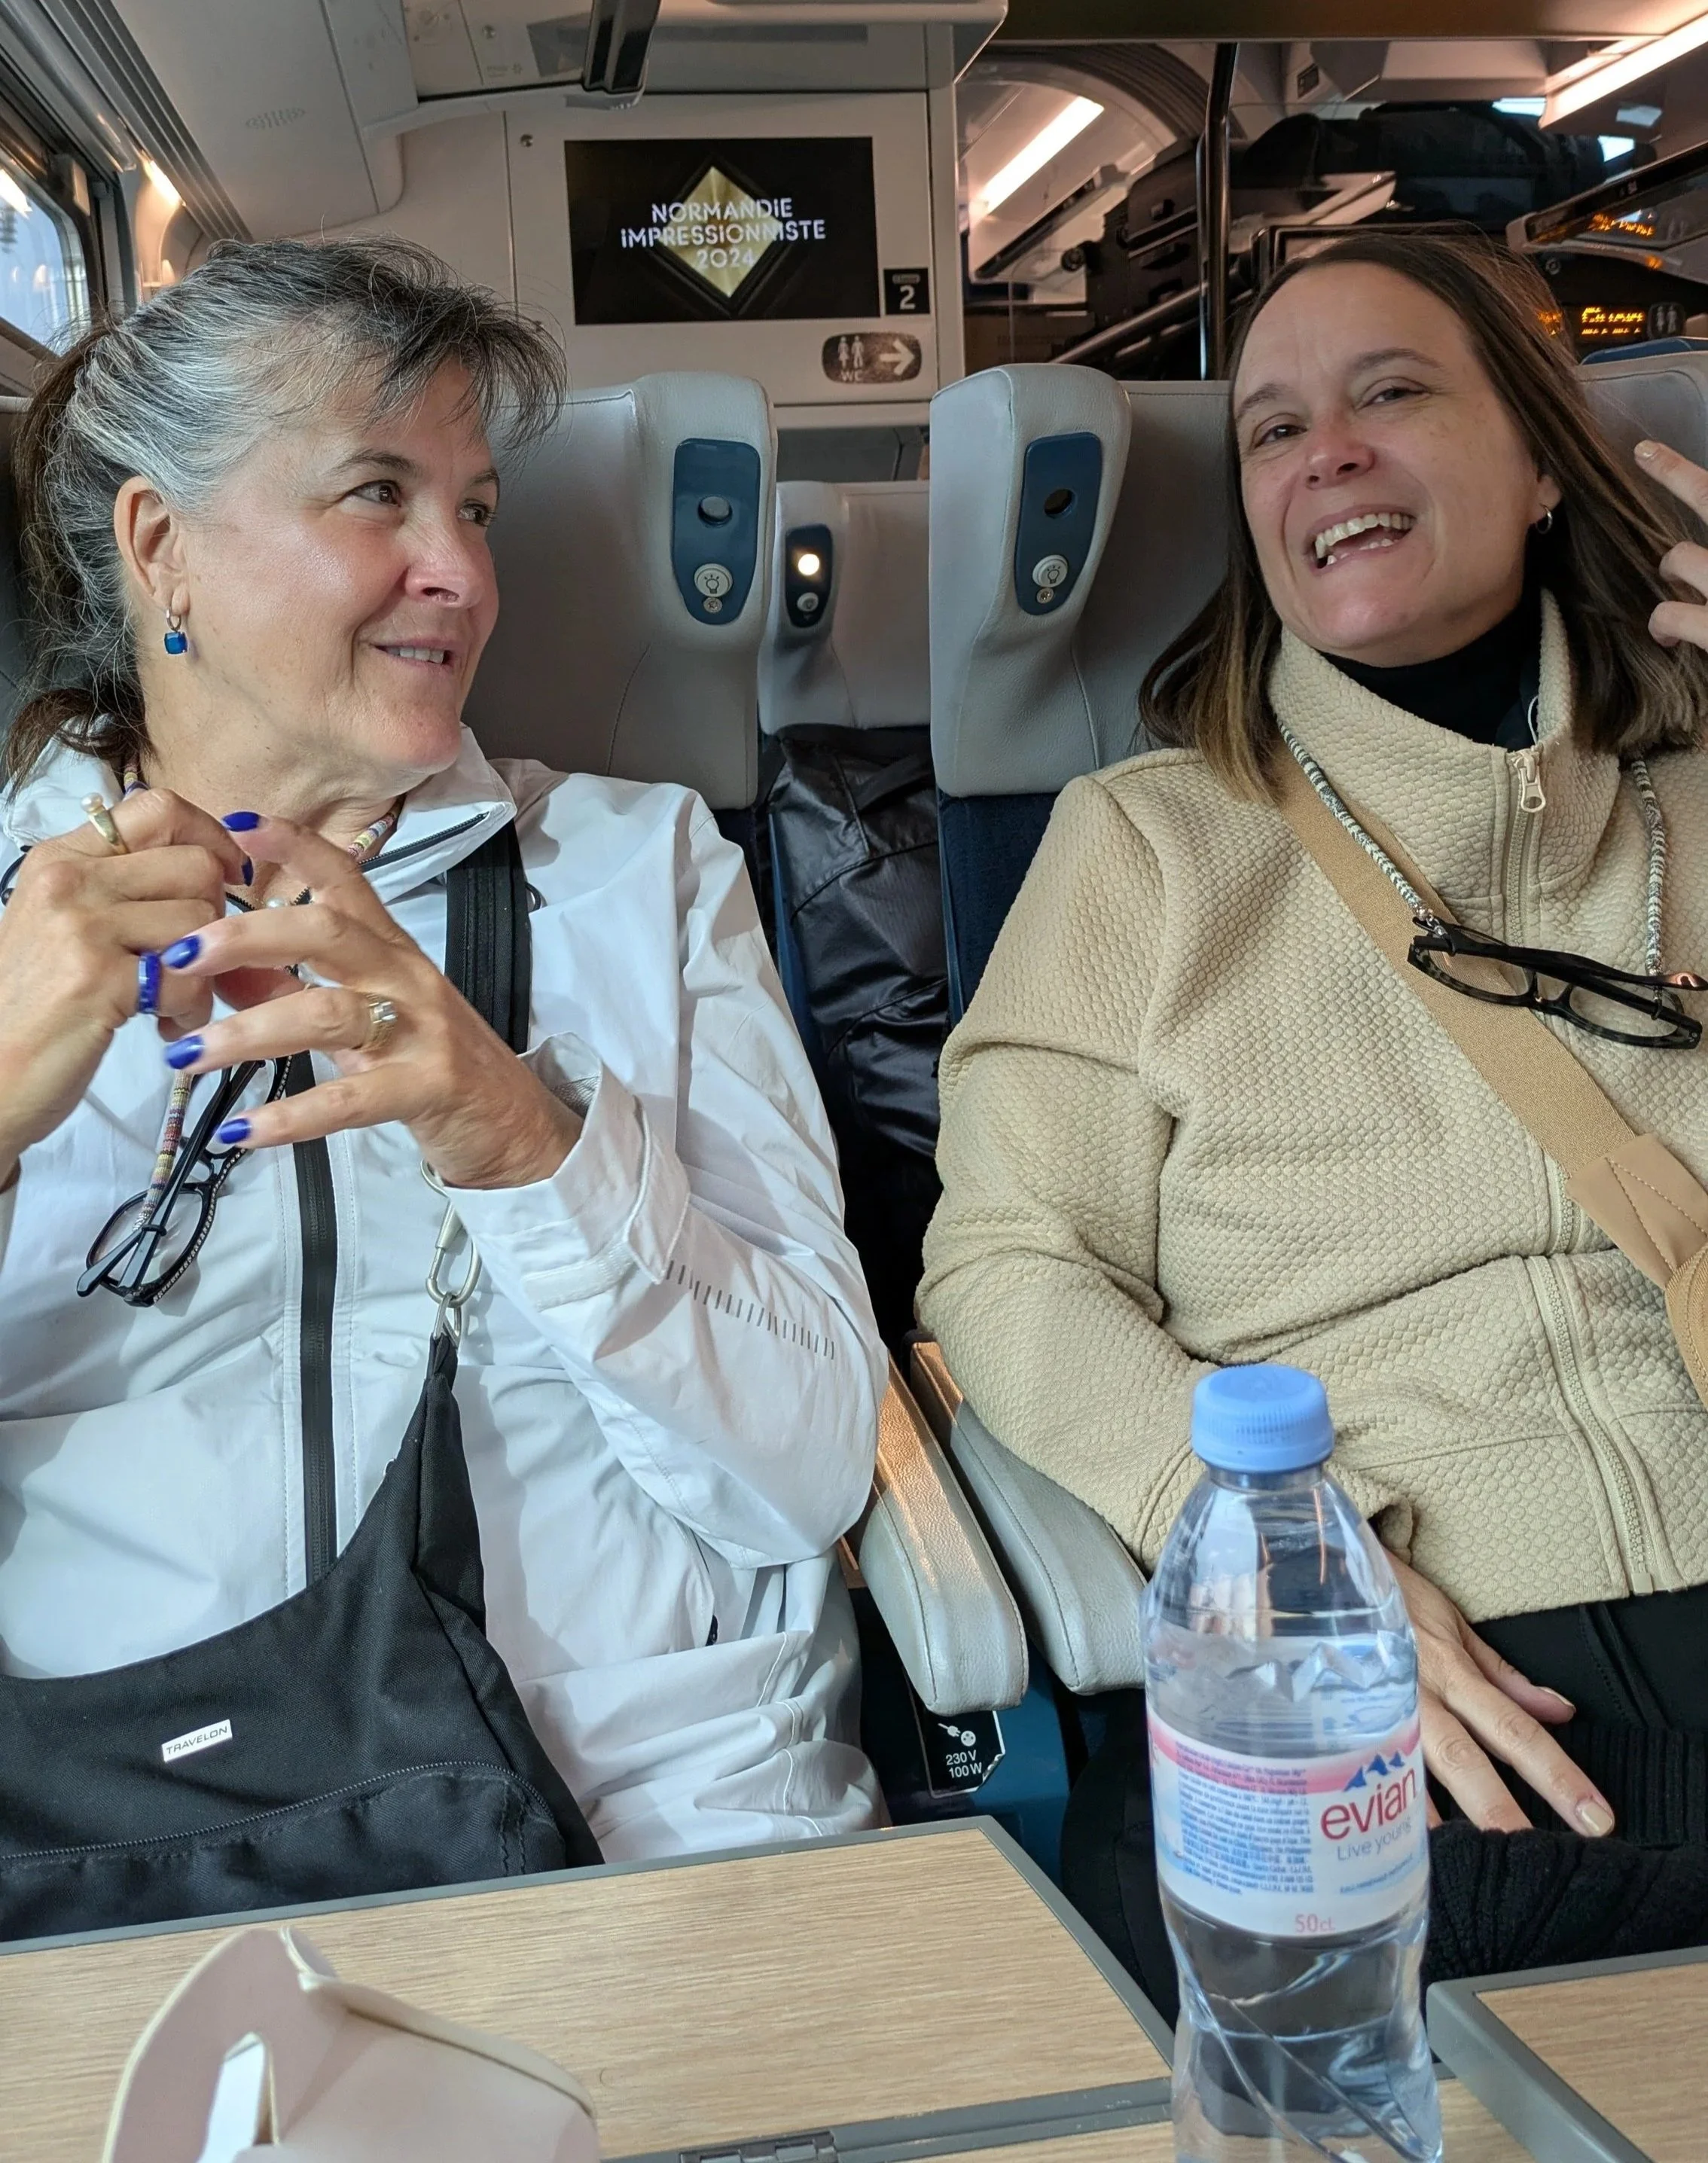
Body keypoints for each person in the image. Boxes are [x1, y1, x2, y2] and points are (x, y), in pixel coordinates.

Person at [0, 237, 885, 1866]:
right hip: (108, 1828)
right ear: (161, 547)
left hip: (649, 1797)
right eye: (376, 495)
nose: (463, 573)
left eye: (473, 508)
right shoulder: (6, 919)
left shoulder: (640, 867)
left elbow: (814, 1467)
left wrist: (534, 1143)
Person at [918, 228, 1708, 2006]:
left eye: (1393, 392)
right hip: (1417, 1631)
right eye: (1272, 432)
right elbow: (1005, 1263)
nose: (1325, 450)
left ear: (1540, 467)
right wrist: (1281, 1556)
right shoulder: (1148, 845)